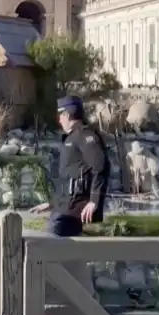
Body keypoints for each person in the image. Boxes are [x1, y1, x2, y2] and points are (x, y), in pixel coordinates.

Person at [30, 96, 110, 237]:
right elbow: (68, 179)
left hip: (73, 209)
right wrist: (52, 203)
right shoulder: (71, 138)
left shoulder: (85, 136)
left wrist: (94, 201)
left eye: (60, 116)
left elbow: (101, 166)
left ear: (67, 115)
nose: (59, 120)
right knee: (61, 251)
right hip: (66, 206)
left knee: (47, 246)